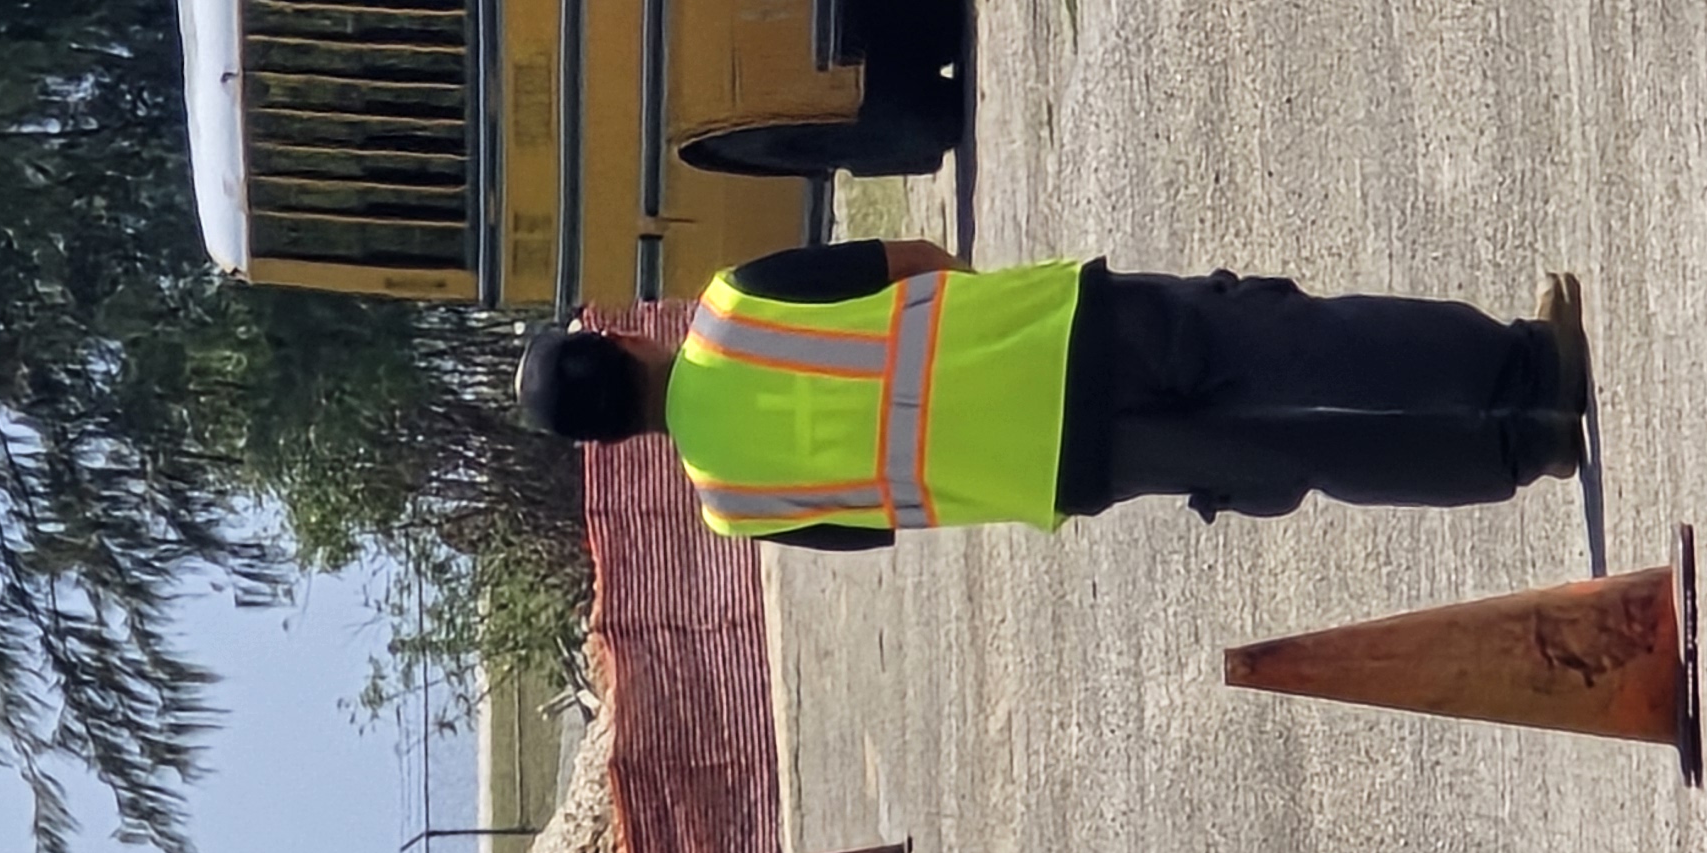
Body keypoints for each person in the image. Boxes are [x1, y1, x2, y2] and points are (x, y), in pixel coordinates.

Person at [514, 240, 1591, 546]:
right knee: (1299, 346)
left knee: (1294, 458)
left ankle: (1523, 450)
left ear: (608, 442)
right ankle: (1534, 371)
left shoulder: (733, 508)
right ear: (613, 337)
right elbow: (910, 259)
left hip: (1062, 471)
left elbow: (876, 527)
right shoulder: (736, 304)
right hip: (1064, 338)